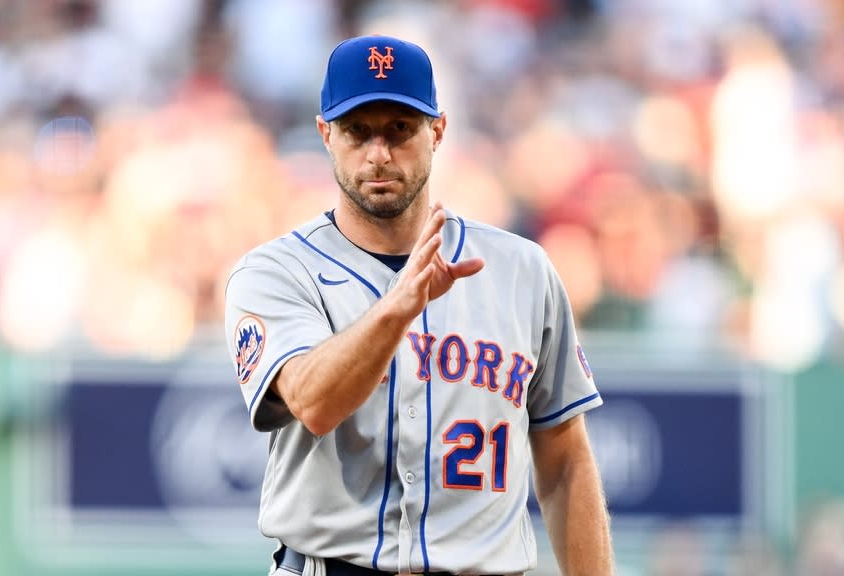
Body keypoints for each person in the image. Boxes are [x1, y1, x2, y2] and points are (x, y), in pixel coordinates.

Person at [225, 34, 613, 575]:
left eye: (399, 130)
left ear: (438, 131)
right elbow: (313, 404)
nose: (378, 153)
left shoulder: (521, 270)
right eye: (358, 131)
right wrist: (398, 308)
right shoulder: (275, 273)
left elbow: (565, 457)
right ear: (325, 135)